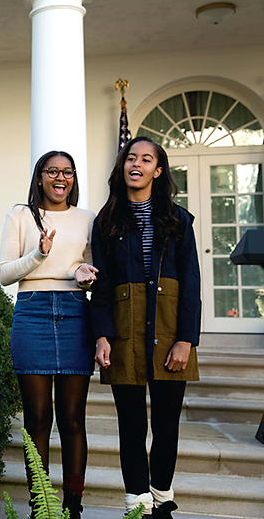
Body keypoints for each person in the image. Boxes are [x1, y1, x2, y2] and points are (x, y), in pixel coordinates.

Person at [90, 136, 200, 518]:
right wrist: (101, 335)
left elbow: (191, 282)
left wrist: (186, 339)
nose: (136, 164)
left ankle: (162, 500)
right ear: (122, 167)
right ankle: (136, 502)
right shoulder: (105, 221)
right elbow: (101, 286)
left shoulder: (179, 219)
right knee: (131, 426)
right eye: (130, 158)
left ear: (158, 170)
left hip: (170, 330)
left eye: (146, 159)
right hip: (124, 333)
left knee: (167, 426)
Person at [0, 151, 97, 518]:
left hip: (74, 312)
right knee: (37, 417)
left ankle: (73, 506)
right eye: (52, 171)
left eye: (67, 172)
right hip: (32, 311)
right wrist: (38, 255)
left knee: (72, 417)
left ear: (73, 178)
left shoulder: (88, 219)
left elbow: (84, 264)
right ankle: (41, 503)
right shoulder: (21, 215)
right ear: (39, 177)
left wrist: (83, 271)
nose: (60, 178)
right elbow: (5, 273)